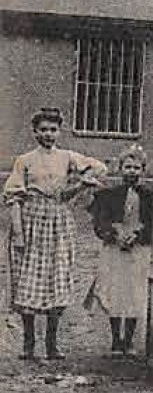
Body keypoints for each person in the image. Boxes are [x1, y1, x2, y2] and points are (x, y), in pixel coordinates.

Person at [5, 107, 107, 361]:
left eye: (53, 129)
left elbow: (99, 168)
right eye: (43, 129)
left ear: (59, 131)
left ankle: (52, 345)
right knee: (27, 280)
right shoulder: (25, 160)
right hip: (31, 222)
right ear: (35, 132)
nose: (48, 134)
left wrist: (82, 183)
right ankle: (29, 344)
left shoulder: (66, 157)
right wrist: (18, 233)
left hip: (59, 222)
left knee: (56, 279)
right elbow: (14, 198)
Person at [85, 144, 153, 358]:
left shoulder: (149, 196)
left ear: (142, 170)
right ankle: (116, 339)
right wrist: (114, 234)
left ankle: (129, 339)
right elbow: (100, 221)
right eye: (128, 167)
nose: (132, 172)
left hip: (138, 250)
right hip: (114, 249)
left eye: (136, 168)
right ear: (120, 168)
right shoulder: (108, 195)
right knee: (116, 291)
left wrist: (138, 235)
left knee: (135, 292)